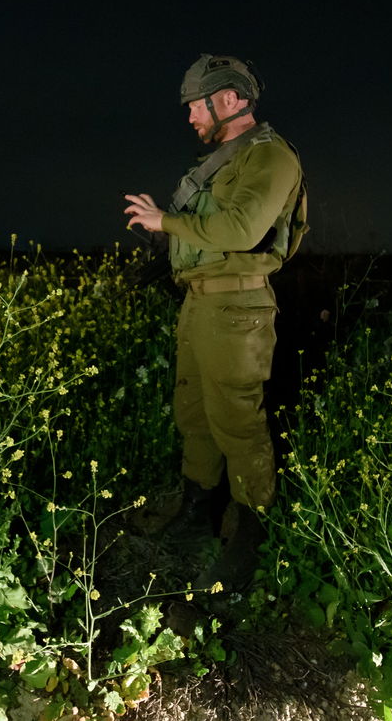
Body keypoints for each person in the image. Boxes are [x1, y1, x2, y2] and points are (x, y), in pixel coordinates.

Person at [123, 53, 304, 593]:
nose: (189, 117)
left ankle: (251, 533)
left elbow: (244, 227)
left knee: (238, 423)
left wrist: (168, 220)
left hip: (239, 310)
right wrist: (164, 234)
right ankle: (197, 513)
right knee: (195, 413)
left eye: (194, 106)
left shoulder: (271, 158)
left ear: (228, 99)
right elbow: (205, 231)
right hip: (200, 305)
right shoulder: (224, 161)